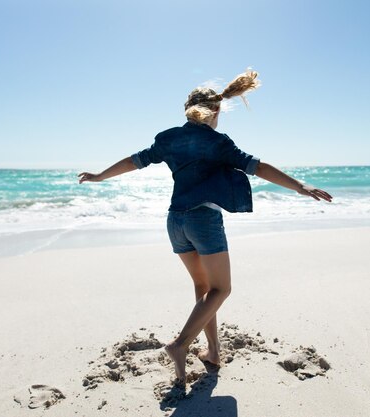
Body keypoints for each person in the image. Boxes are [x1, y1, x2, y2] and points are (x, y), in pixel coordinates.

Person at [78, 70, 332, 384]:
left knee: (203, 289)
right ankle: (181, 344)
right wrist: (299, 186)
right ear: (216, 112)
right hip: (203, 221)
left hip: (175, 221)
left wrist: (101, 176)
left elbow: (134, 161)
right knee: (222, 289)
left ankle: (212, 351)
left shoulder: (167, 137)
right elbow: (258, 166)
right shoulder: (218, 142)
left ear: (188, 109)